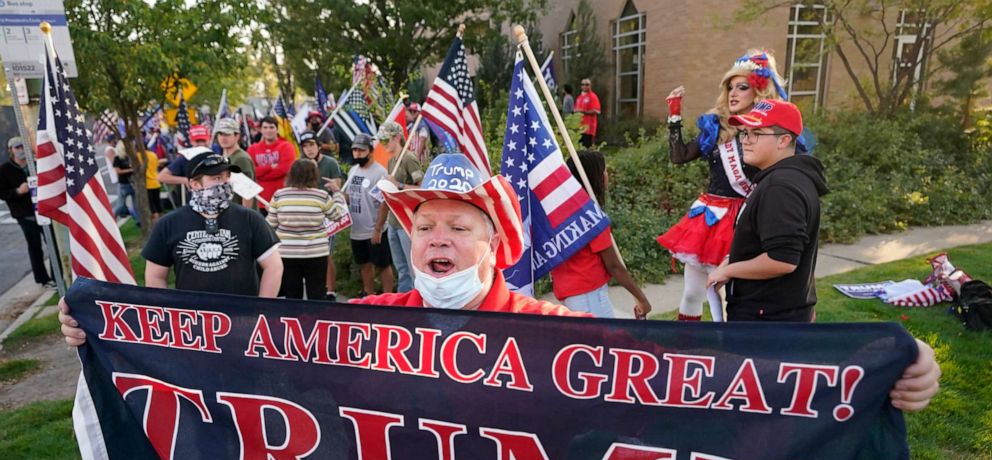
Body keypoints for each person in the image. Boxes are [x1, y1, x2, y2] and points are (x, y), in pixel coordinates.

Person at [59, 151, 944, 413]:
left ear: (491, 241)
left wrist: (877, 375)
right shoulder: (369, 318)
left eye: (458, 225)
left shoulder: (546, 322)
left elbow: (690, 380)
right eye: (424, 227)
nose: (437, 238)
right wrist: (112, 327)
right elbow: (255, 351)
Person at [657, 50, 788, 321]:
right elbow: (678, 156)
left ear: (760, 91)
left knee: (731, 299)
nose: (733, 92)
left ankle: (727, 355)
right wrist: (674, 115)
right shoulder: (717, 126)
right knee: (693, 293)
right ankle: (686, 348)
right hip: (709, 219)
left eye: (742, 86)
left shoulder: (772, 131)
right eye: (730, 86)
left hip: (744, 219)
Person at [706, 99, 827, 322]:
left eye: (757, 133)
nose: (746, 141)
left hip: (767, 320)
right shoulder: (781, 179)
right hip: (776, 313)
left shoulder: (779, 188)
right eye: (745, 133)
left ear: (783, 140)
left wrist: (728, 271)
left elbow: (782, 260)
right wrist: (732, 259)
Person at [139, 151, 282, 296]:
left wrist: (261, 308)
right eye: (217, 178)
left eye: (227, 176)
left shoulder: (250, 219)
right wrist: (168, 311)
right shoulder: (168, 224)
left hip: (241, 315)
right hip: (193, 316)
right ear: (194, 184)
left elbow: (274, 266)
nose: (225, 183)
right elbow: (155, 275)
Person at [550, 150, 651, 318]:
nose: (607, 174)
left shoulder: (558, 213)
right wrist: (642, 299)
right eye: (604, 170)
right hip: (590, 296)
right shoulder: (592, 216)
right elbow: (614, 266)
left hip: (569, 295)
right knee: (606, 342)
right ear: (593, 176)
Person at [266, 159, 335, 300]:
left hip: (287, 253)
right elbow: (337, 215)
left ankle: (294, 320)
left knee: (292, 295)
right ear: (313, 175)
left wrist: (273, 210)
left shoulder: (280, 195)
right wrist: (338, 194)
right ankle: (316, 320)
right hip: (316, 252)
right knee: (316, 294)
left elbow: (270, 224)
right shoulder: (321, 196)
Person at [372, 121, 424, 293]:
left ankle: (417, 302)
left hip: (407, 221)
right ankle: (404, 302)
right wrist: (379, 226)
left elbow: (423, 188)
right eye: (382, 141)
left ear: (397, 138)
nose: (383, 144)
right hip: (393, 222)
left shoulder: (408, 158)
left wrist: (399, 185)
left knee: (412, 268)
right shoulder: (391, 161)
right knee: (401, 269)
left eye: (386, 140)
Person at [0, 136, 56, 286]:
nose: (20, 151)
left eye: (22, 147)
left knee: (52, 243)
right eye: (17, 148)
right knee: (35, 246)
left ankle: (57, 275)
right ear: (11, 150)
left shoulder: (35, 164)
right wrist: (18, 191)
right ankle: (43, 279)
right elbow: (3, 193)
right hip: (24, 214)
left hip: (43, 210)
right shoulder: (5, 170)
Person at [297, 131, 344, 300]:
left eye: (311, 145)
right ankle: (314, 288)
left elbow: (337, 185)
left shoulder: (330, 163)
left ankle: (330, 291)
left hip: (327, 213)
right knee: (309, 254)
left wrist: (332, 185)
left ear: (318, 146)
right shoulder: (300, 165)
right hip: (306, 214)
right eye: (305, 146)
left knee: (327, 253)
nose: (309, 149)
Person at [345, 133, 392, 296]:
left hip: (374, 228)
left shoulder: (380, 172)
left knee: (383, 265)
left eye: (361, 150)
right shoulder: (352, 171)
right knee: (364, 264)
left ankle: (388, 298)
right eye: (355, 150)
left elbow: (384, 203)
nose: (357, 153)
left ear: (371, 151)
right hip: (357, 229)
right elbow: (351, 197)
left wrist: (378, 229)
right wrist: (338, 194)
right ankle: (369, 297)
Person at [158, 124, 213, 209]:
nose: (201, 144)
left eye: (203, 140)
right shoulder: (185, 158)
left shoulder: (216, 156)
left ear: (209, 139)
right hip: (194, 205)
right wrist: (186, 180)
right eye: (197, 141)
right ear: (191, 141)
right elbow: (161, 177)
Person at [247, 116, 296, 211]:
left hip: (282, 199)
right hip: (260, 201)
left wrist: (260, 173)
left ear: (277, 129)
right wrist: (270, 167)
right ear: (260, 130)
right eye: (265, 127)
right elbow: (251, 171)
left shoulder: (287, 146)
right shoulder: (252, 149)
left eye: (271, 127)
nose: (268, 130)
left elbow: (284, 169)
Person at [215, 117, 256, 208]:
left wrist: (244, 218)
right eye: (220, 134)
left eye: (227, 134)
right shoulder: (223, 157)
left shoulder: (241, 159)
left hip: (239, 214)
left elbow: (248, 193)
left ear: (237, 136)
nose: (223, 138)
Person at [111, 141, 137, 224]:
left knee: (137, 205)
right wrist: (131, 170)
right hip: (123, 184)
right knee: (120, 205)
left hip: (134, 183)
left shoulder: (131, 157)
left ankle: (139, 222)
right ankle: (112, 220)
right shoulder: (117, 158)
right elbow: (118, 171)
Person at [574, 78, 601, 148]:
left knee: (588, 149)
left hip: (589, 129)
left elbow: (597, 111)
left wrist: (584, 112)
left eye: (587, 84)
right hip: (579, 128)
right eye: (583, 84)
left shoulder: (593, 96)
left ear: (590, 86)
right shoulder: (579, 98)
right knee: (580, 148)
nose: (585, 86)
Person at [141, 145, 162, 223]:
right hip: (156, 181)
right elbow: (157, 165)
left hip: (147, 184)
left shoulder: (139, 156)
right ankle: (161, 221)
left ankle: (156, 224)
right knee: (157, 204)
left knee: (152, 208)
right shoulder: (153, 154)